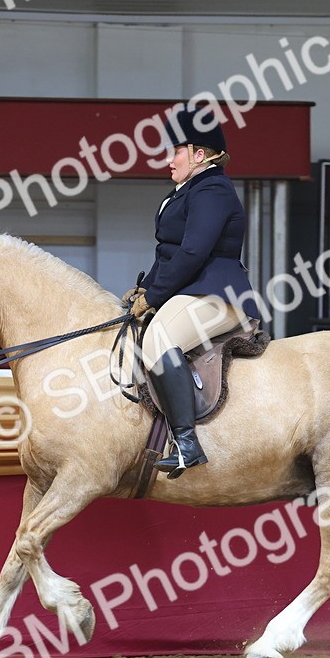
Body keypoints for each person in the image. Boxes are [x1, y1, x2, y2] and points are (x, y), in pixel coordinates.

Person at [125, 107, 262, 478]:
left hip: (218, 295)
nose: (169, 160)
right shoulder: (185, 191)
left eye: (176, 151)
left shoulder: (213, 189)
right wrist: (146, 287)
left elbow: (193, 251)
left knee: (159, 339)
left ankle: (187, 443)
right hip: (192, 292)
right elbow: (168, 251)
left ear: (199, 154)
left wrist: (153, 298)